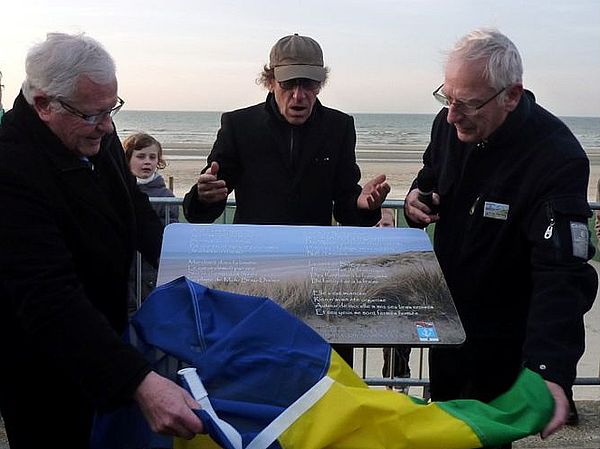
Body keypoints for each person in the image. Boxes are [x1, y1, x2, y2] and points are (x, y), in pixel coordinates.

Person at [0, 33, 203, 449]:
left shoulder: (94, 131)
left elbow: (139, 215)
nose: (109, 127)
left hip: (107, 341)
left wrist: (200, 274)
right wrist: (141, 383)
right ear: (43, 105)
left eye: (112, 110)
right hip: (43, 368)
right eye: (94, 115)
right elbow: (48, 298)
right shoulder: (10, 168)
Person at [403, 28, 597, 447]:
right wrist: (414, 200)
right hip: (446, 322)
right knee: (442, 431)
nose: (452, 115)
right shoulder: (448, 124)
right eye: (447, 98)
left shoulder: (556, 157)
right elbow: (431, 177)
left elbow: (562, 271)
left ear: (511, 95)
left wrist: (549, 368)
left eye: (468, 103)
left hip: (501, 339)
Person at [183, 33, 391, 365]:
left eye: (309, 85)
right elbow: (203, 207)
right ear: (269, 80)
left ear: (320, 84)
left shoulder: (339, 126)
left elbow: (346, 202)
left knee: (323, 376)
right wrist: (204, 196)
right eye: (289, 84)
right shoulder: (239, 124)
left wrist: (365, 207)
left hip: (317, 280)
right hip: (253, 280)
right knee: (254, 373)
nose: (299, 96)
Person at [123, 132, 179, 309]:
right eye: (140, 156)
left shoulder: (165, 196)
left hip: (149, 273)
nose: (147, 161)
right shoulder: (119, 191)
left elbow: (169, 233)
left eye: (152, 157)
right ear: (128, 158)